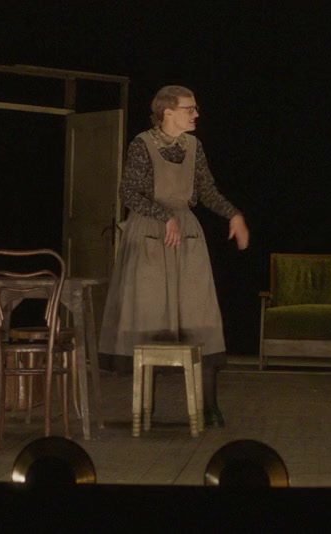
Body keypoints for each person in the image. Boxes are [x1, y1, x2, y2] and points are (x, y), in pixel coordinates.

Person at [99, 85, 249, 427]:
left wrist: (234, 214)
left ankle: (209, 406)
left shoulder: (194, 147)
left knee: (200, 317)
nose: (196, 114)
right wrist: (163, 216)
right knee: (150, 318)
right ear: (168, 113)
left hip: (187, 237)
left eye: (195, 108)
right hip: (150, 235)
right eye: (189, 109)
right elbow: (128, 192)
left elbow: (207, 191)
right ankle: (144, 410)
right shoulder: (142, 144)